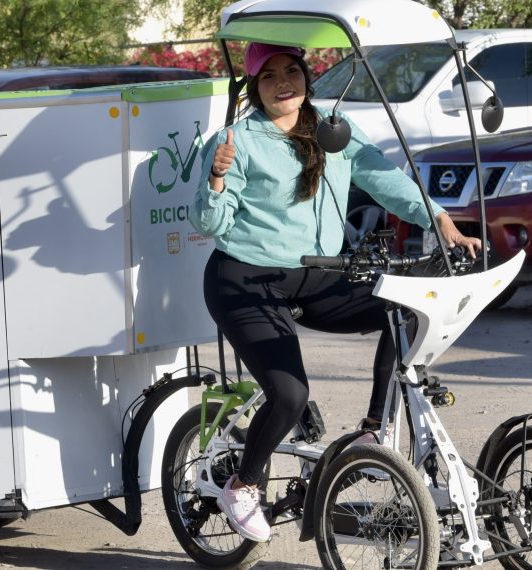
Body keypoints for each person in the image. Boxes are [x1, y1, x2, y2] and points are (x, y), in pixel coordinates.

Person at [188, 42, 481, 543]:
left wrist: (438, 216)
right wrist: (216, 177)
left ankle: (372, 431)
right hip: (245, 279)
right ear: (255, 89)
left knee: (404, 310)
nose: (284, 82)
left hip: (319, 272)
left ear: (306, 77)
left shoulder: (332, 128)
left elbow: (385, 179)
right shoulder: (237, 140)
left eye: (292, 72)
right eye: (269, 76)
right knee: (290, 392)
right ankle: (241, 484)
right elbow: (209, 222)